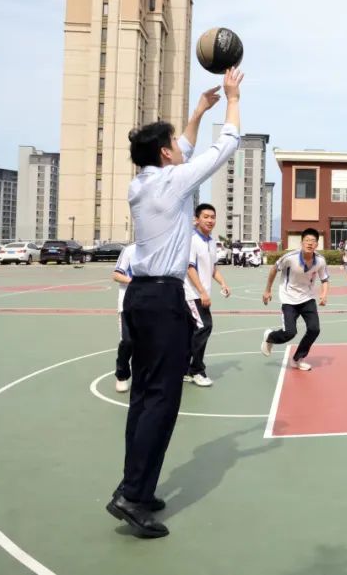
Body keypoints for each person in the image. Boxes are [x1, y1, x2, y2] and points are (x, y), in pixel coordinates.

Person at [106, 66, 243, 539]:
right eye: (173, 146)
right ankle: (132, 494)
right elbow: (225, 147)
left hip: (139, 299)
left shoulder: (141, 184)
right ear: (164, 155)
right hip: (163, 299)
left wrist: (197, 111)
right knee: (163, 401)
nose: (178, 149)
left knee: (144, 397)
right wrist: (230, 100)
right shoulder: (173, 183)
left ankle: (136, 487)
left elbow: (180, 149)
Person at [260, 228, 330, 371]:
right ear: (301, 243)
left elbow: (324, 279)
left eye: (313, 241)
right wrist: (267, 290)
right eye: (307, 240)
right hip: (289, 299)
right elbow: (274, 269)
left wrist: (324, 294)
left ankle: (297, 358)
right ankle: (270, 337)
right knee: (290, 333)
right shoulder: (290, 258)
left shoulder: (320, 261)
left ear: (317, 244)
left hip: (307, 298)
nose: (310, 243)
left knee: (314, 329)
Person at [184, 203, 231, 387]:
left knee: (190, 333)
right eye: (206, 216)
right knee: (205, 326)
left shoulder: (211, 242)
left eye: (213, 217)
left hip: (202, 295)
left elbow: (212, 269)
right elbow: (189, 267)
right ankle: (197, 370)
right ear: (196, 219)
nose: (210, 220)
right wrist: (202, 292)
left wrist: (224, 283)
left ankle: (185, 369)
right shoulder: (191, 239)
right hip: (191, 294)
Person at [112, 243, 138, 393]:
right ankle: (122, 375)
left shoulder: (157, 249)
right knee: (128, 341)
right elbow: (116, 275)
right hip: (127, 305)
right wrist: (134, 282)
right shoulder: (129, 250)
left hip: (150, 305)